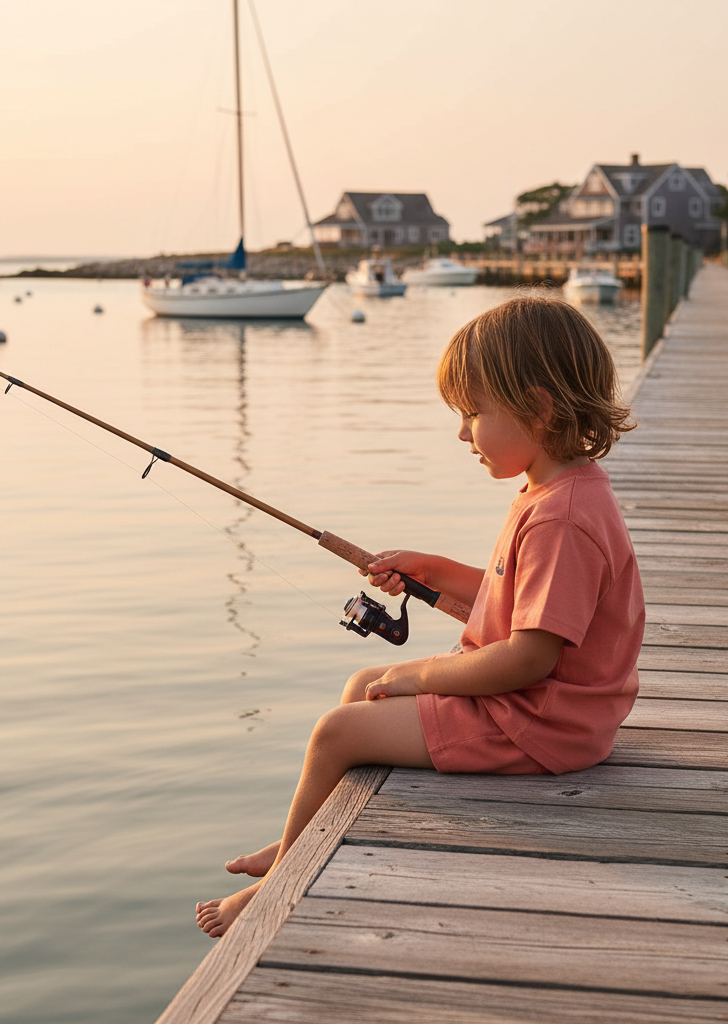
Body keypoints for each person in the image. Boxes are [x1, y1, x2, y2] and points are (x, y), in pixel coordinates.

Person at [197, 295, 644, 938]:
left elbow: (530, 656)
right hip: (548, 709)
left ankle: (277, 887)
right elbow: (515, 600)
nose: (462, 433)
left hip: (545, 724)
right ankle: (298, 839)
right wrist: (431, 570)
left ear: (539, 408)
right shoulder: (556, 490)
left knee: (336, 732)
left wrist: (420, 675)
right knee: (359, 689)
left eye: (473, 413)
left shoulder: (562, 518)